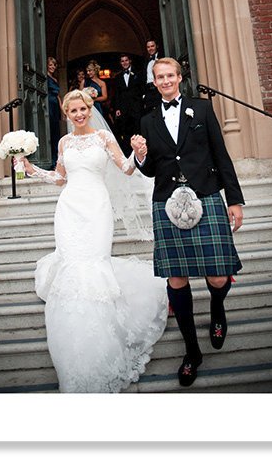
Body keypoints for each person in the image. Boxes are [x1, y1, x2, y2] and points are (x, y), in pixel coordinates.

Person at [16, 88, 167, 392]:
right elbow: (60, 178)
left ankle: (101, 323)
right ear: (66, 114)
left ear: (89, 108)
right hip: (69, 207)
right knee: (72, 262)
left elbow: (126, 169)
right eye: (73, 111)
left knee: (95, 261)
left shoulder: (103, 137)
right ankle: (75, 322)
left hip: (97, 207)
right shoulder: (64, 142)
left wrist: (138, 154)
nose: (79, 114)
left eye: (83, 109)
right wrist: (32, 170)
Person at [130, 57, 245, 387]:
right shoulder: (148, 120)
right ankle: (192, 352)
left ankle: (217, 309)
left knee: (219, 276)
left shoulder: (202, 109)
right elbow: (151, 169)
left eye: (170, 75)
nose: (165, 81)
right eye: (159, 77)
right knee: (177, 279)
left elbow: (220, 154)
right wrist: (140, 155)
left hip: (206, 194)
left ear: (179, 78)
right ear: (154, 82)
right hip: (167, 201)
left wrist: (234, 200)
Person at [112, 53, 144, 156]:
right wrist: (117, 108)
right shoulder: (118, 77)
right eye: (122, 61)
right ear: (120, 63)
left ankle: (140, 153)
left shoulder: (138, 73)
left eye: (126, 60)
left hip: (136, 107)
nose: (124, 63)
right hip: (124, 108)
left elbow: (142, 89)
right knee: (126, 132)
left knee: (138, 129)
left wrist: (141, 103)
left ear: (130, 61)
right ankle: (128, 154)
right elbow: (117, 94)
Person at [143, 39, 163, 114]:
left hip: (159, 88)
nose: (150, 48)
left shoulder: (162, 58)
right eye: (148, 47)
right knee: (151, 113)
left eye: (152, 46)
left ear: (156, 46)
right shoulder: (145, 61)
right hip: (149, 90)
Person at [46, 56, 62, 150]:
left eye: (54, 65)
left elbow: (58, 95)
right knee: (50, 126)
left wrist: (61, 107)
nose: (53, 67)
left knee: (56, 127)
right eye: (50, 65)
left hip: (55, 104)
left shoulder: (55, 79)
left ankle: (56, 150)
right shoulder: (45, 78)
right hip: (49, 103)